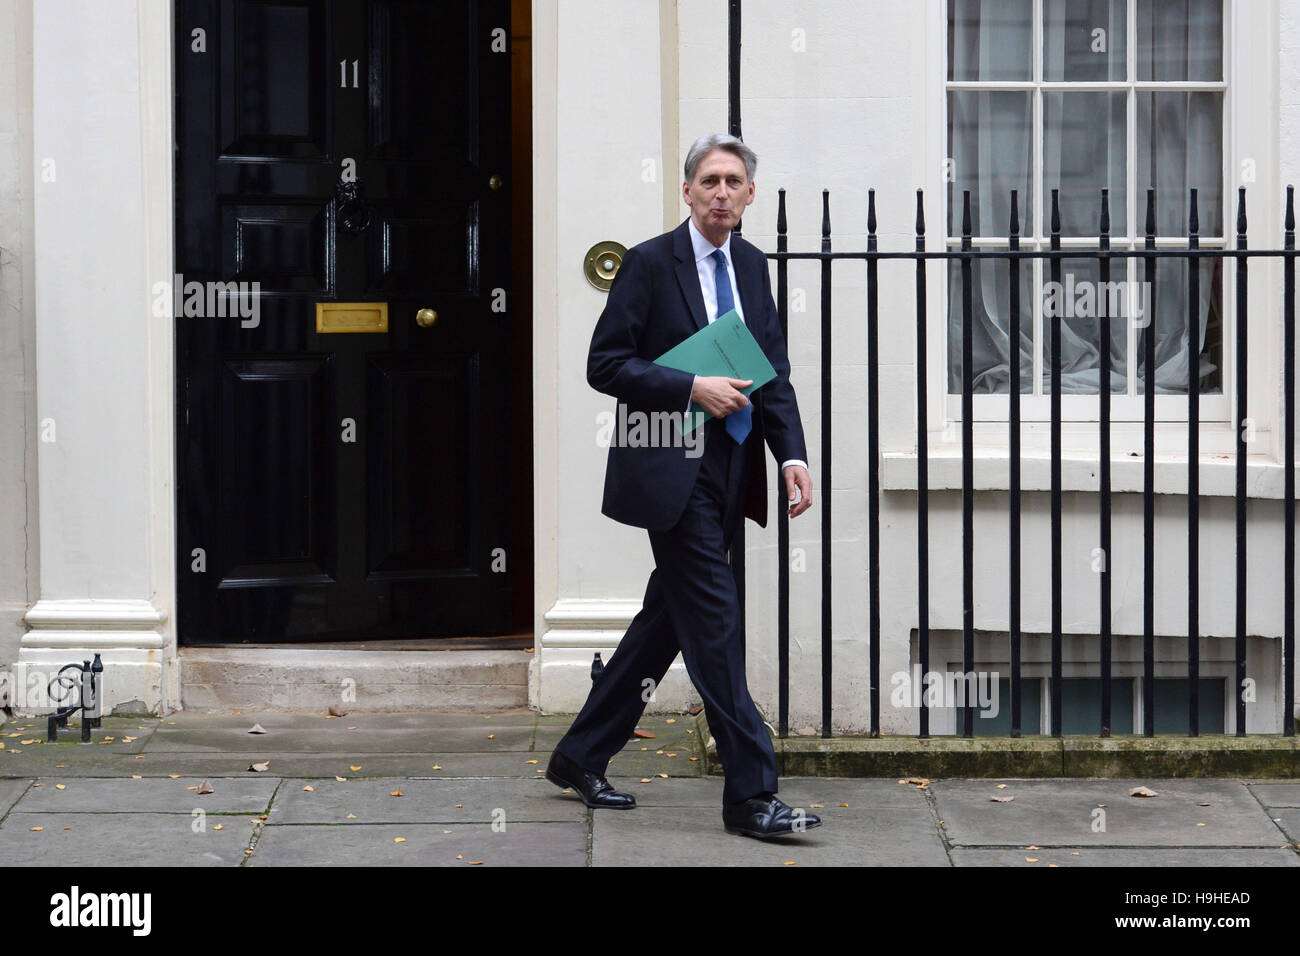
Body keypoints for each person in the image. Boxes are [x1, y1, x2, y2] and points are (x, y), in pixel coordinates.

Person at [545, 133, 819, 839]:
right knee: (716, 625)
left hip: (734, 469)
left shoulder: (754, 267)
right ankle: (752, 797)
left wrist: (791, 456)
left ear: (750, 194)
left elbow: (771, 372)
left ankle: (579, 755)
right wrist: (689, 386)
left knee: (668, 619)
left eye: (734, 181)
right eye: (709, 180)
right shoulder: (645, 264)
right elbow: (604, 365)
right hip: (670, 466)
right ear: (688, 192)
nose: (721, 192)